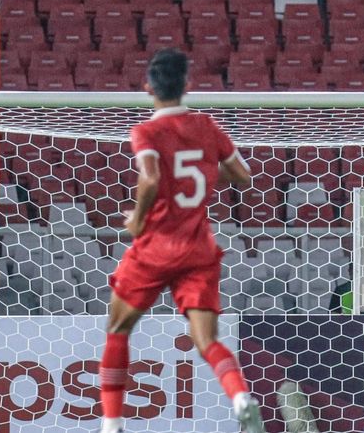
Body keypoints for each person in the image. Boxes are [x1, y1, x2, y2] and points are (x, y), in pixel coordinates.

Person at [97, 49, 264, 433]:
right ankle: (239, 396)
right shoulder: (207, 126)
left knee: (118, 328)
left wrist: (137, 218)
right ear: (187, 86)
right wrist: (204, 174)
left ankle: (112, 423)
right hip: (199, 248)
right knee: (206, 340)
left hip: (155, 246)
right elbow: (242, 175)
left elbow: (152, 178)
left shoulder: (146, 132)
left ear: (148, 89)